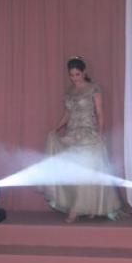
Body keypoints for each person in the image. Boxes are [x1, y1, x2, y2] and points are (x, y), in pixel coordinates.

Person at [42, 57, 122, 223]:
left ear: (84, 72)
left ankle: (79, 210)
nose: (74, 78)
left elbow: (100, 113)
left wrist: (100, 133)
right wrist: (56, 128)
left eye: (77, 74)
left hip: (89, 135)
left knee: (88, 173)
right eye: (71, 75)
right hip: (72, 134)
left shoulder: (94, 89)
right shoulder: (69, 92)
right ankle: (81, 207)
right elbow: (67, 114)